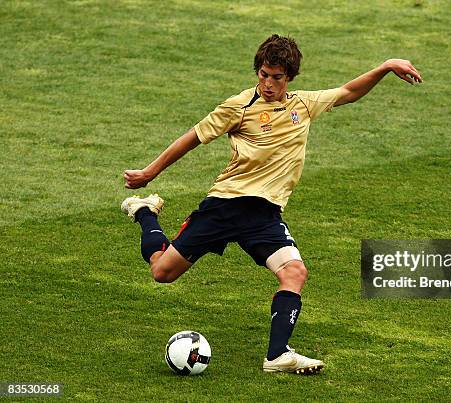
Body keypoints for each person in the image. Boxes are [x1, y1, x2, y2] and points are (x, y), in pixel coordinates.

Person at [121, 34, 422, 374]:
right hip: (226, 206)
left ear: (289, 77)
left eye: (276, 77)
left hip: (264, 216)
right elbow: (191, 139)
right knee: (162, 273)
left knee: (295, 272)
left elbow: (348, 92)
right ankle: (144, 211)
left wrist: (384, 67)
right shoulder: (238, 106)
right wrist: (149, 173)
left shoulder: (303, 106)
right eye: (263, 74)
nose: (267, 83)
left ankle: (277, 356)